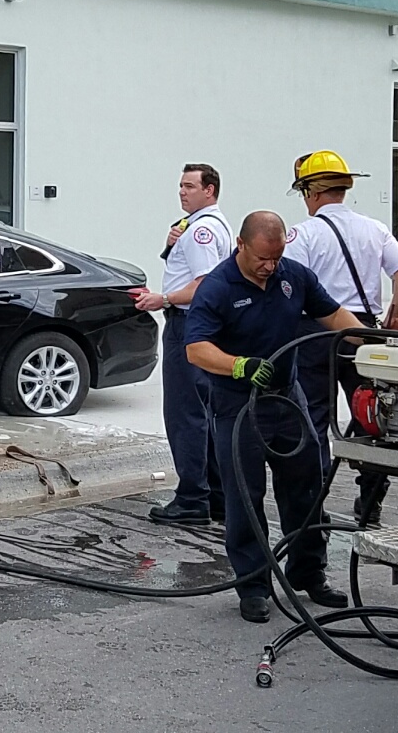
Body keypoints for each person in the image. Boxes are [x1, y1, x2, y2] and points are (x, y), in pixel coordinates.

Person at [185, 211, 365, 624]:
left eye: (277, 257)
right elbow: (196, 349)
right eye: (263, 258)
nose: (270, 266)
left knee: (305, 487)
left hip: (288, 399)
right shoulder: (217, 287)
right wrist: (238, 365)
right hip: (239, 405)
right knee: (245, 497)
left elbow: (334, 316)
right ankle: (253, 586)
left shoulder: (294, 276)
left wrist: (373, 342)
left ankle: (308, 573)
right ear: (241, 246)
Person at [281, 150, 398, 528]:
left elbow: (291, 287)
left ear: (311, 192)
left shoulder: (303, 234)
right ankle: (370, 500)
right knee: (373, 417)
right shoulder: (373, 228)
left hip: (315, 333)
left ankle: (313, 503)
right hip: (364, 334)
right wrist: (396, 313)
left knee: (313, 420)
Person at [136, 163, 232, 527]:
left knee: (185, 414)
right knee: (203, 412)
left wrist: (164, 298)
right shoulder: (200, 226)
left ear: (210, 190)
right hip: (200, 326)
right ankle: (215, 495)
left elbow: (204, 284)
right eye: (180, 185)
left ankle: (192, 497)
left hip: (188, 324)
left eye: (190, 186)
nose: (182, 192)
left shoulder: (203, 230)